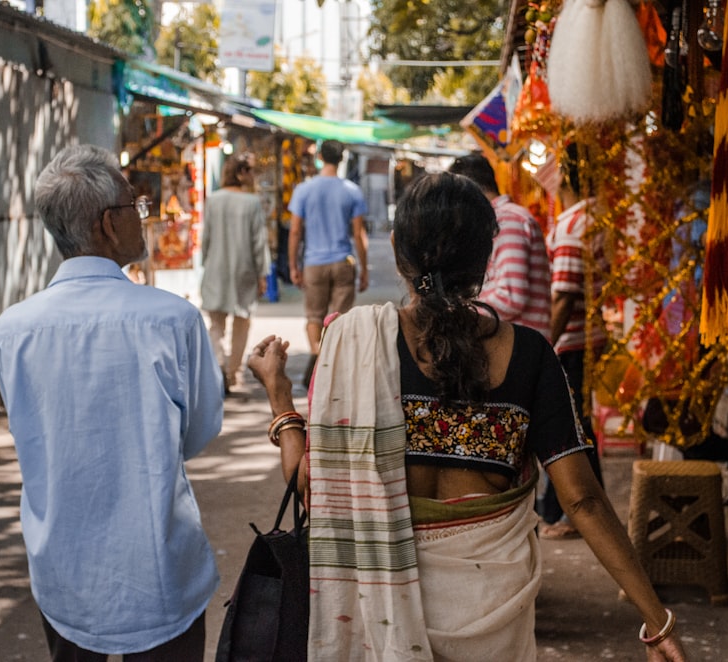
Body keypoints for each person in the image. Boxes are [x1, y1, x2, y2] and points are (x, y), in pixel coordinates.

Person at [247, 172, 687, 661]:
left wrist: (281, 399)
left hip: (380, 625)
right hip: (492, 616)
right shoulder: (531, 355)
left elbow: (312, 485)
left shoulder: (352, 341)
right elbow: (581, 500)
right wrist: (657, 620)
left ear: (397, 251)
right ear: (486, 257)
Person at [0, 144, 224, 661]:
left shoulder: (11, 330)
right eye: (133, 207)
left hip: (63, 572)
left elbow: (32, 433)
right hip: (159, 566)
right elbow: (200, 430)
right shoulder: (171, 319)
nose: (143, 218)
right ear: (107, 225)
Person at [540, 145, 607, 539]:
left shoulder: (572, 223)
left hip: (572, 341)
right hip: (588, 337)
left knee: (572, 427)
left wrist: (543, 346)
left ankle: (574, 511)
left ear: (564, 175)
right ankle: (565, 508)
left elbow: (564, 295)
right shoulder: (594, 217)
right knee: (577, 424)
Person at [288, 139, 369, 384]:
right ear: (341, 158)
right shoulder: (351, 191)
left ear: (320, 157)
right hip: (343, 262)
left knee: (314, 317)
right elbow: (358, 234)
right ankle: (331, 365)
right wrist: (364, 269)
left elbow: (295, 231)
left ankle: (317, 357)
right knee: (339, 318)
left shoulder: (304, 189)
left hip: (314, 263)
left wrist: (293, 265)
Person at [448, 151, 552, 340]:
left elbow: (511, 296)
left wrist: (459, 313)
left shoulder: (506, 220)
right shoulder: (503, 218)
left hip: (520, 344)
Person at [200, 153, 271, 394]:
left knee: (216, 324)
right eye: (250, 171)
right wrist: (263, 273)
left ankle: (218, 364)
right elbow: (258, 242)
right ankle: (233, 373)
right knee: (242, 322)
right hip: (244, 269)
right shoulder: (251, 203)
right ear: (241, 173)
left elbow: (206, 238)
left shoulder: (213, 200)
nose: (253, 176)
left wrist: (205, 262)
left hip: (216, 267)